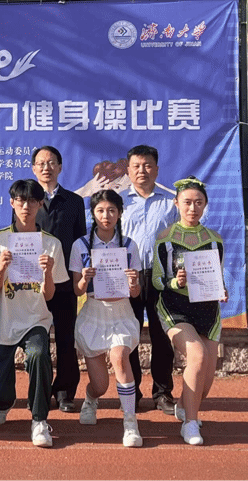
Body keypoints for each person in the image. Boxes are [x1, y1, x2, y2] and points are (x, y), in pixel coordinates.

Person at [0, 179, 67, 448]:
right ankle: (2, 403)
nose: (25, 206)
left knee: (39, 354)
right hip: (3, 319)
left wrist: (48, 272)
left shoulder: (51, 244)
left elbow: (49, 296)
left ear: (40, 204)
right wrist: (1, 268)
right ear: (11, 203)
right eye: (20, 200)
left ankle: (39, 419)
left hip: (35, 319)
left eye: (32, 201)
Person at [153, 176, 227, 446]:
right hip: (175, 307)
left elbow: (217, 276)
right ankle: (190, 423)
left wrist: (222, 290)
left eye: (198, 203)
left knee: (204, 384)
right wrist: (176, 282)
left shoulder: (214, 240)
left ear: (205, 205)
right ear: (176, 203)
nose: (192, 208)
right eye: (187, 202)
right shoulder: (165, 239)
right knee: (197, 355)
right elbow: (157, 280)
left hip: (207, 310)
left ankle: (185, 407)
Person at [71, 190, 143, 448]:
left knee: (120, 357)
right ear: (93, 213)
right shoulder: (80, 245)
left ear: (120, 213)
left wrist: (133, 284)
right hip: (93, 315)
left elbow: (136, 292)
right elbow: (77, 290)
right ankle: (91, 398)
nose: (106, 215)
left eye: (112, 210)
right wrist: (84, 279)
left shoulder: (130, 245)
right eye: (100, 210)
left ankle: (130, 422)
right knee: (100, 385)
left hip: (121, 314)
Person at [121, 145, 179, 413]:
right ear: (128, 170)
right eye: (136, 166)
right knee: (128, 335)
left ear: (156, 169)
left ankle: (162, 392)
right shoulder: (119, 202)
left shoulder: (171, 203)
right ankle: (131, 392)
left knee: (162, 336)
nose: (141, 170)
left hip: (161, 277)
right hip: (128, 276)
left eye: (147, 165)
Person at [31, 146, 86, 412]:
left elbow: (80, 242)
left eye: (51, 162)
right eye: (41, 163)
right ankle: (39, 391)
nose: (46, 167)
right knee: (37, 339)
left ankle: (65, 392)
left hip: (64, 281)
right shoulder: (27, 200)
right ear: (34, 169)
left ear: (60, 167)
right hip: (34, 282)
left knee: (66, 337)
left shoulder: (74, 201)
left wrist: (78, 277)